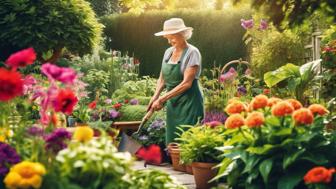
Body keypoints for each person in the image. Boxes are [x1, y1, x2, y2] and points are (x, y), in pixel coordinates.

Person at [148, 18, 204, 145]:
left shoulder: (192, 52)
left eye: (172, 37)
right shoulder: (168, 52)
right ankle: (176, 165)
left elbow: (186, 84)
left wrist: (162, 100)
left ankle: (189, 165)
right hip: (173, 102)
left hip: (190, 102)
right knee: (173, 142)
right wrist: (155, 96)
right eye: (167, 38)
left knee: (189, 139)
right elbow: (163, 78)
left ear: (182, 34)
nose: (169, 42)